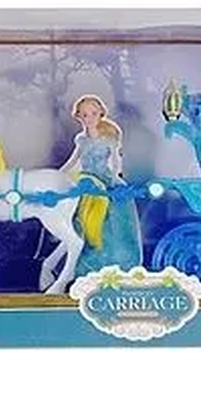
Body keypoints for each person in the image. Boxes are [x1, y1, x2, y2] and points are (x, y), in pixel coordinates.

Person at [61, 95, 142, 273]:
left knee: (111, 214)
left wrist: (114, 177)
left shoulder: (108, 138)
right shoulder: (81, 140)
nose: (89, 118)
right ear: (79, 117)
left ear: (101, 114)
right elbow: (73, 160)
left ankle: (114, 261)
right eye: (84, 115)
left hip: (105, 179)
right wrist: (58, 174)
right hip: (86, 180)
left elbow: (116, 160)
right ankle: (80, 259)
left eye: (93, 114)